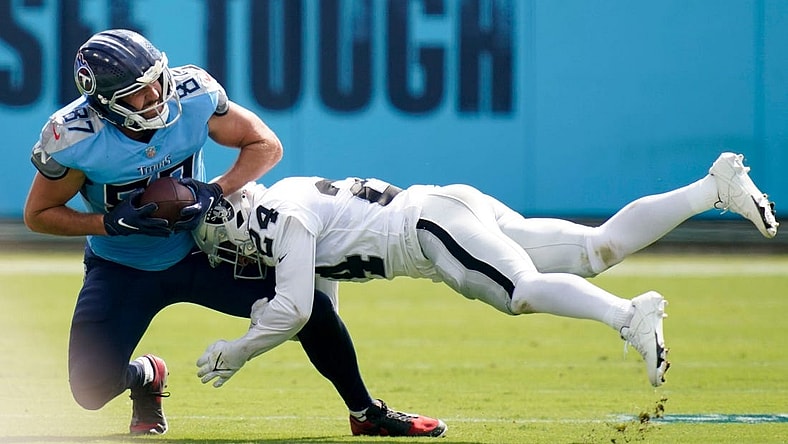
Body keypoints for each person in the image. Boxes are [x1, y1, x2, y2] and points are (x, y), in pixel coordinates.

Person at [23, 29, 446, 438]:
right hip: (123, 265)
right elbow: (38, 214)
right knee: (90, 390)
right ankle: (147, 374)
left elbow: (265, 143)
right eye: (139, 91)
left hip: (205, 247)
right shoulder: (75, 138)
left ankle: (366, 413)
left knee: (310, 309)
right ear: (105, 104)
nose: (156, 96)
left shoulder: (192, 95)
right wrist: (109, 222)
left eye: (156, 80)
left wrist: (213, 191)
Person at [192, 152, 778, 390]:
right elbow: (318, 303)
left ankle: (630, 316)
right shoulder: (287, 199)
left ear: (230, 216)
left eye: (219, 243)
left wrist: (238, 349)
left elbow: (295, 307)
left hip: (428, 232)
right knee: (595, 250)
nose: (230, 255)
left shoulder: (277, 216)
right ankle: (712, 187)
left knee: (521, 293)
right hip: (448, 206)